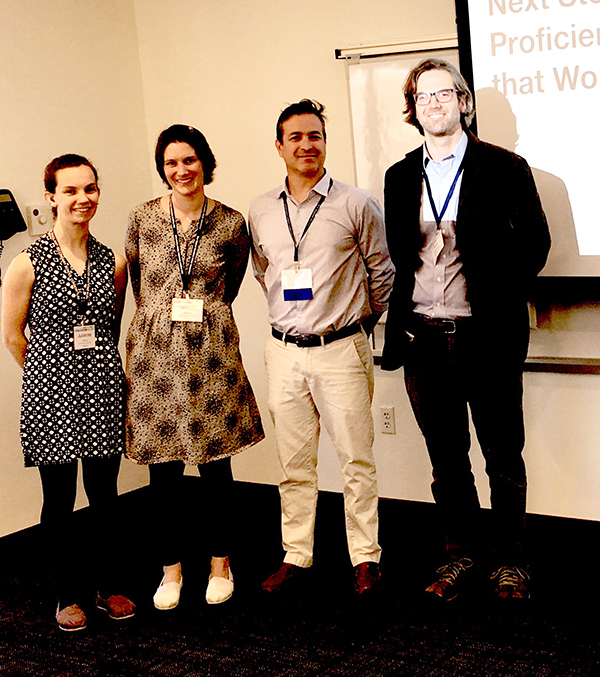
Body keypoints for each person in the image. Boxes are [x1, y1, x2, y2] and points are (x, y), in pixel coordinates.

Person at [382, 59, 551, 601]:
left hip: (487, 338)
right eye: (423, 96)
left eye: (444, 94)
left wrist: (487, 272)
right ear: (414, 109)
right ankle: (460, 556)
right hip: (425, 341)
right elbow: (397, 255)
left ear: (462, 102)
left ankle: (512, 565)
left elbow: (536, 247)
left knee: (503, 457)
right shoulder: (400, 176)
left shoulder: (504, 167)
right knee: (447, 462)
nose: (434, 103)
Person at [248, 99, 394, 595]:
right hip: (283, 351)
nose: (306, 145)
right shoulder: (262, 209)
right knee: (294, 462)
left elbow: (383, 274)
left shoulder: (357, 203)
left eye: (315, 135)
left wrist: (353, 323)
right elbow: (264, 271)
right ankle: (297, 556)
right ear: (279, 146)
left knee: (356, 459)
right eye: (296, 137)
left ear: (324, 142)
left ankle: (366, 558)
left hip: (341, 349)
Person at [125, 124, 264, 610]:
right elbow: (142, 285)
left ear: (205, 162)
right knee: (162, 474)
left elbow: (232, 283)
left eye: (189, 160)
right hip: (155, 359)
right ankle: (170, 571)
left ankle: (220, 564)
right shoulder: (142, 217)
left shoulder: (230, 223)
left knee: (215, 470)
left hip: (210, 356)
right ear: (162, 170)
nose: (181, 171)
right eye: (171, 163)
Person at [2, 154, 135, 631]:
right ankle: (66, 594)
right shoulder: (26, 262)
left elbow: (110, 327)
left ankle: (108, 585)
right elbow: (14, 336)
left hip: (102, 389)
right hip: (50, 396)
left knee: (105, 495)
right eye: (72, 190)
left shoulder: (112, 261)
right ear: (51, 197)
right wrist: (50, 376)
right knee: (58, 501)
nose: (83, 199)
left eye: (91, 189)